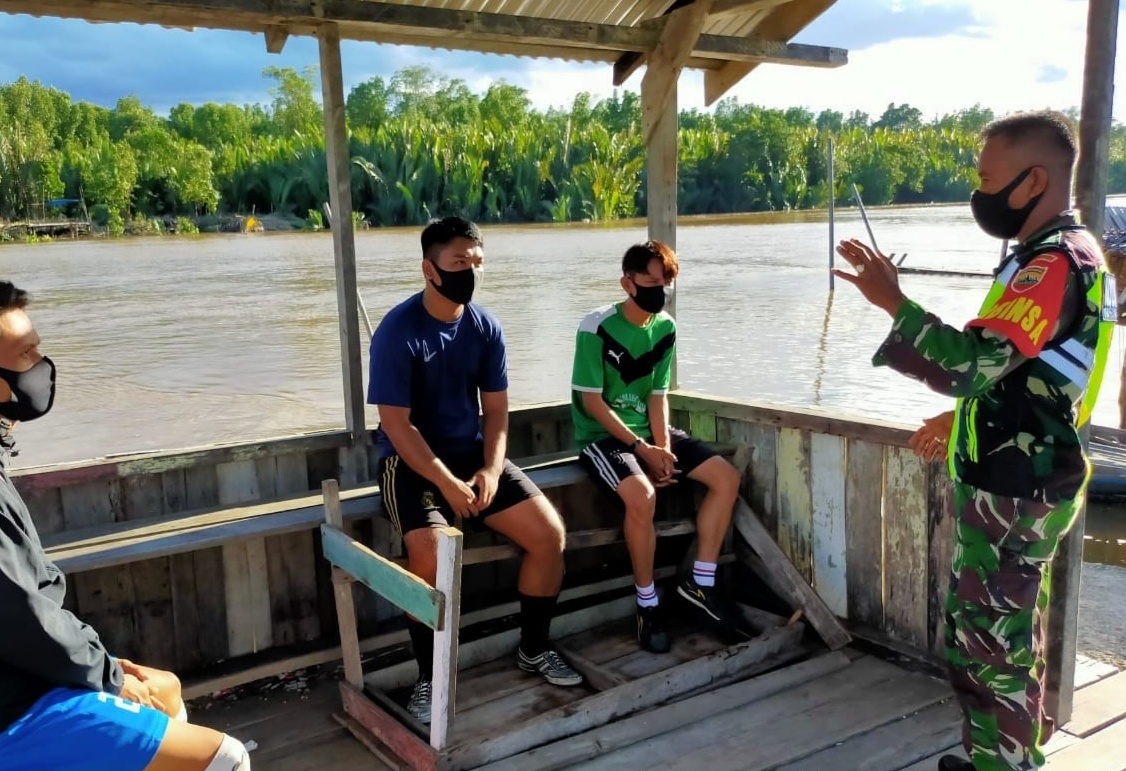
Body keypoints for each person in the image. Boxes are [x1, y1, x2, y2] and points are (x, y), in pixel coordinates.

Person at [834, 111, 1117, 771]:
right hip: (1022, 471)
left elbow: (969, 362)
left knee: (993, 647)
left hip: (1016, 489)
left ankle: (1008, 764)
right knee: (999, 637)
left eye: (987, 176)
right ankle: (995, 755)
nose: (979, 191)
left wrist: (894, 303)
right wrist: (955, 422)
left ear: (1033, 180)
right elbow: (1022, 375)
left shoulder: (1051, 264)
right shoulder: (1061, 254)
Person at [0, 281, 252, 771]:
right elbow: (20, 617)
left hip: (23, 671)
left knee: (168, 691)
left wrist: (106, 667)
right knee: (226, 757)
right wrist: (111, 676)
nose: (41, 364)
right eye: (26, 354)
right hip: (14, 706)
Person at [368, 216, 583, 724]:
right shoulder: (398, 333)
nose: (472, 272)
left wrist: (489, 469)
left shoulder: (485, 327)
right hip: (411, 465)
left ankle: (533, 648)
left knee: (549, 535)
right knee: (430, 553)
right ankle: (429, 676)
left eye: (478, 262)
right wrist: (446, 482)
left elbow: (499, 411)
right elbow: (396, 425)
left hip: (473, 455)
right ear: (429, 268)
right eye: (460, 262)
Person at [570, 240, 743, 653]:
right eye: (649, 282)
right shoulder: (596, 326)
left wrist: (662, 450)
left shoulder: (666, 327)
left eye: (665, 282)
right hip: (604, 437)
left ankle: (701, 583)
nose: (658, 290)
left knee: (725, 477)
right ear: (626, 283)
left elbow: (657, 396)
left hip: (649, 432)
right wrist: (641, 450)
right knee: (642, 496)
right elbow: (592, 402)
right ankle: (647, 603)